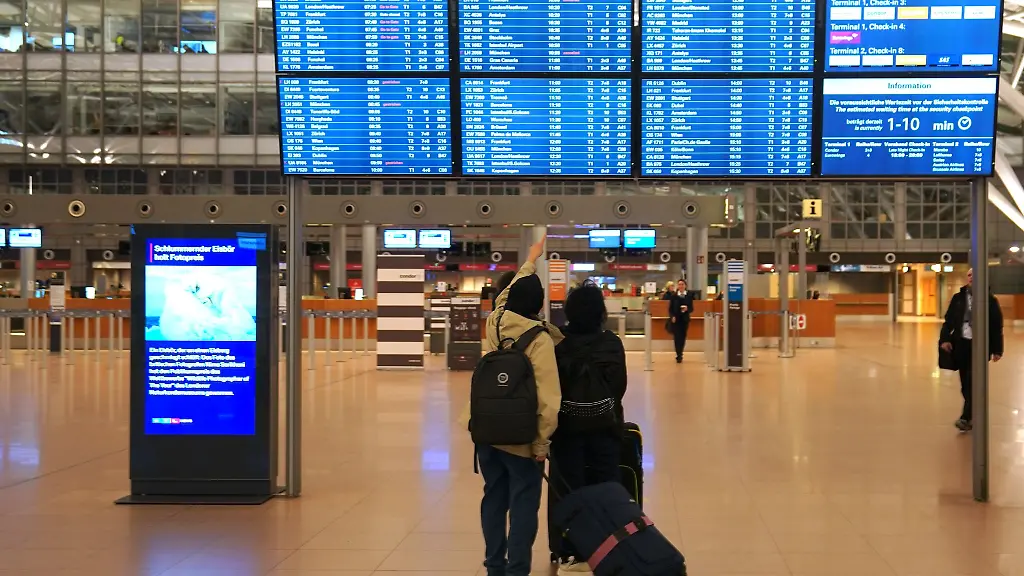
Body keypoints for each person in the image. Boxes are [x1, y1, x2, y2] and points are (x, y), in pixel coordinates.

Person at [468, 238, 562, 576]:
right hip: (522, 438)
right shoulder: (539, 339)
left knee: (494, 497)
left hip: (487, 432)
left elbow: (507, 295)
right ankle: (517, 568)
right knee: (523, 503)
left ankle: (494, 565)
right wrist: (541, 443)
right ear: (537, 304)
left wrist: (531, 259)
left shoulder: (494, 322)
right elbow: (550, 400)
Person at [551, 282, 627, 575]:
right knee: (607, 485)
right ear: (600, 312)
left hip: (567, 429)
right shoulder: (611, 342)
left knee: (570, 488)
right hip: (604, 426)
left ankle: (572, 552)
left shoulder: (557, 343)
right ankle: (610, 547)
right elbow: (618, 388)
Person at [939, 268, 1003, 432]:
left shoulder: (990, 301)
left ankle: (965, 417)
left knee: (972, 381)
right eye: (968, 275)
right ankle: (973, 414)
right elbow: (948, 321)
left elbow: (996, 327)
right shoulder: (958, 298)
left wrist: (997, 349)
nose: (971, 277)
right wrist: (945, 339)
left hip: (980, 346)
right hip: (962, 345)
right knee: (965, 384)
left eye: (974, 275)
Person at [669, 278, 694, 363]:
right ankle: (678, 354)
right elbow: (670, 308)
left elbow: (691, 308)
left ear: (685, 286)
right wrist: (672, 316)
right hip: (676, 319)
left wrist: (687, 309)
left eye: (682, 284)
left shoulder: (689, 295)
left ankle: (681, 352)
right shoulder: (674, 296)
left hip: (684, 319)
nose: (681, 286)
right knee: (677, 337)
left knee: (683, 337)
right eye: (679, 284)